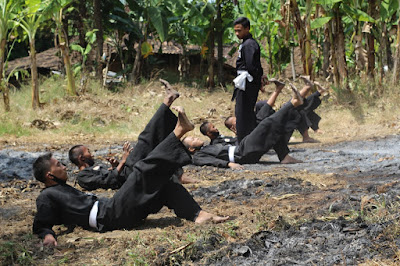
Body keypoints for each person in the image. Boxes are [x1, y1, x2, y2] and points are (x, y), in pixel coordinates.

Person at [32, 107, 229, 247]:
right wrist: (47, 235)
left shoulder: (60, 189)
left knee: (164, 184)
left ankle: (198, 215)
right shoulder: (47, 195)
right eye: (58, 166)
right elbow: (41, 223)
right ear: (49, 175)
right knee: (144, 171)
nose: (64, 167)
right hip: (108, 216)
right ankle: (179, 131)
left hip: (113, 209)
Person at [69, 79, 196, 191]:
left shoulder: (94, 168)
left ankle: (179, 126)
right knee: (146, 140)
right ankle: (172, 110)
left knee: (154, 146)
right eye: (87, 152)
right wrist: (123, 161)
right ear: (81, 158)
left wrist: (116, 165)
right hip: (129, 177)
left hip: (128, 171)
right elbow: (108, 182)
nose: (91, 154)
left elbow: (111, 175)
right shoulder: (82, 177)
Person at [184, 86, 304, 170]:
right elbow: (213, 162)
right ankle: (293, 103)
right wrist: (229, 164)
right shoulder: (198, 157)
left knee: (270, 128)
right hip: (242, 154)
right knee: (266, 124)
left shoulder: (208, 146)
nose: (195, 138)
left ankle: (284, 156)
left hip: (242, 148)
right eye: (193, 140)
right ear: (191, 149)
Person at [232, 17, 265, 143]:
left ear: (247, 29)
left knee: (243, 112)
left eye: (239, 30)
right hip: (245, 80)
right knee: (243, 111)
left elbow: (252, 65)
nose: (237, 34)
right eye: (235, 31)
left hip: (247, 81)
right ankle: (248, 140)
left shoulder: (249, 44)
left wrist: (257, 80)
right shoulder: (246, 43)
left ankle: (244, 141)